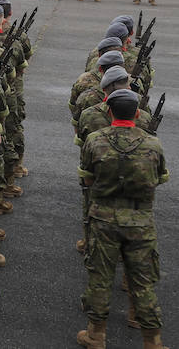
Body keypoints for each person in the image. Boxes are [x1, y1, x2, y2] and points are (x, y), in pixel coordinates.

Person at [77, 88, 167, 349]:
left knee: (100, 277)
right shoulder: (152, 144)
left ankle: (96, 335)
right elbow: (159, 179)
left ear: (109, 112)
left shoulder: (94, 140)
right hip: (140, 221)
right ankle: (152, 340)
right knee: (142, 280)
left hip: (103, 219)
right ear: (138, 114)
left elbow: (87, 178)